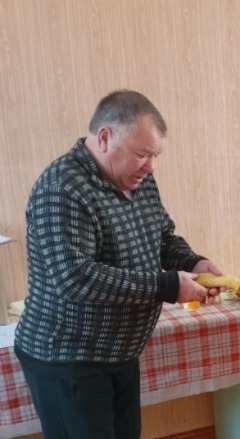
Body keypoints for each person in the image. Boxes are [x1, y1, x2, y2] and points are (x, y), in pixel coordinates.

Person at [14, 90, 224, 439]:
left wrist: (194, 262)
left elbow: (162, 237)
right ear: (105, 138)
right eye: (142, 154)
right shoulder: (62, 188)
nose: (150, 166)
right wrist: (168, 285)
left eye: (155, 156)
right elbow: (75, 278)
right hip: (69, 357)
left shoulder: (139, 179)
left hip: (119, 352)